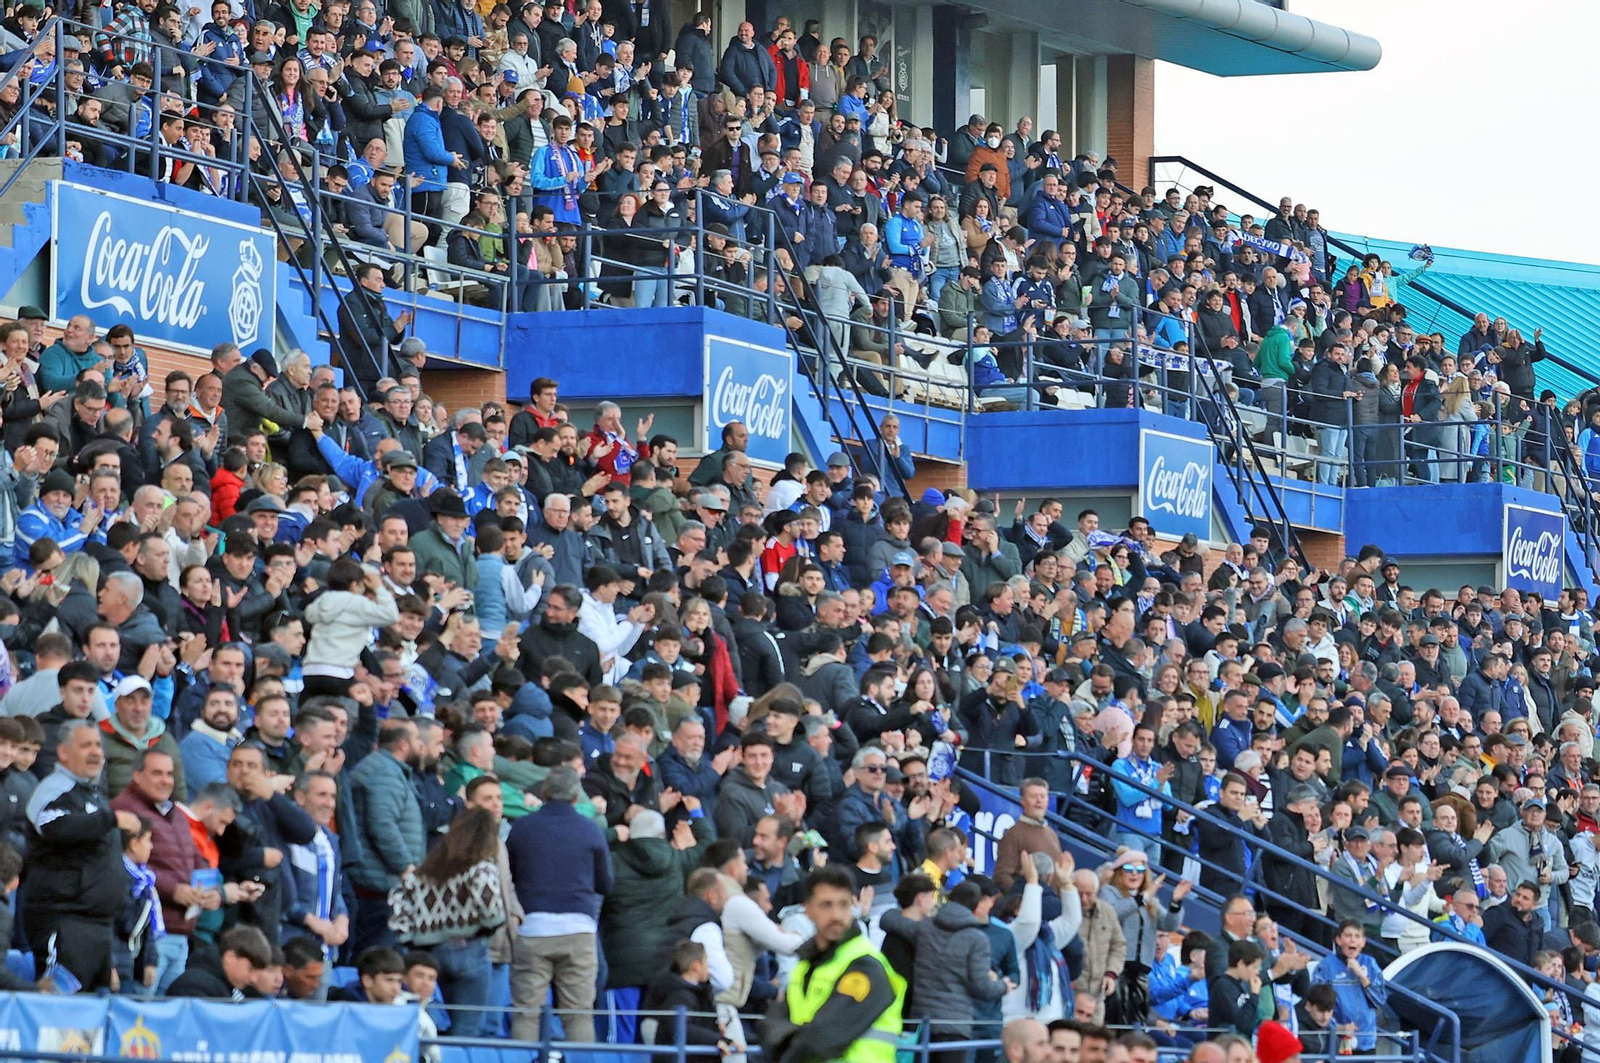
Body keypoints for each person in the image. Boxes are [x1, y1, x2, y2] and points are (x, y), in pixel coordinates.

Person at [24, 719, 141, 989]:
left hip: (98, 926)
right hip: (64, 921)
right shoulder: (55, 788)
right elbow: (52, 825)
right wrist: (111, 819)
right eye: (86, 745)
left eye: (98, 745)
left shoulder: (93, 794)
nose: (96, 752)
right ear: (63, 752)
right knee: (58, 1005)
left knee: (90, 1013)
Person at [506, 765, 611, 1043]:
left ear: (544, 792)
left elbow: (509, 876)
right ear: (576, 796)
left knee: (526, 1014)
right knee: (578, 1016)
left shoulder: (522, 827)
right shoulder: (591, 830)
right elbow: (605, 883)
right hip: (579, 930)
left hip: (533, 928)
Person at [763, 865, 904, 1063]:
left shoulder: (866, 965)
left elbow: (824, 1037)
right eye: (826, 905)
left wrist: (789, 1042)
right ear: (808, 909)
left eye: (843, 905)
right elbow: (771, 1026)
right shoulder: (805, 967)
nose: (836, 915)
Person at [387, 806, 507, 1037]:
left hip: (429, 955)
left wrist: (412, 939)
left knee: (428, 1027)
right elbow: (493, 912)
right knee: (466, 1032)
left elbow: (398, 899)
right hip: (471, 950)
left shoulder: (425, 872)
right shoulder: (481, 868)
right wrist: (484, 928)